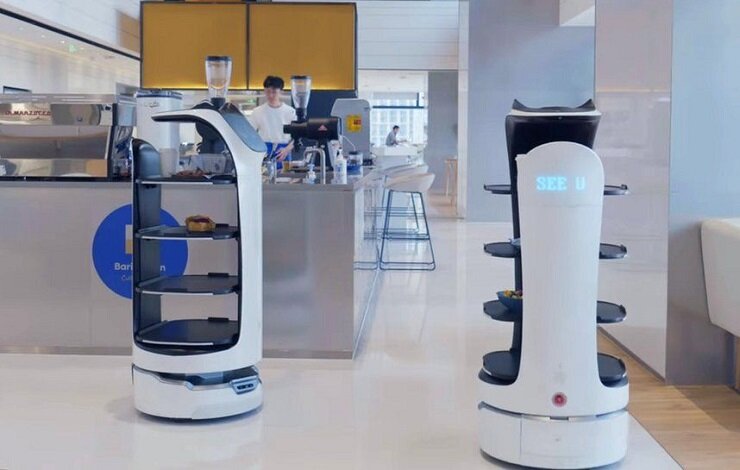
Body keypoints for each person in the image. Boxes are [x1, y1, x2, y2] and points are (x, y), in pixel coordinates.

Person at [248, 76, 297, 162]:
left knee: (284, 171)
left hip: (283, 150)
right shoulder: (257, 111)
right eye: (268, 92)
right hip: (263, 150)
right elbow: (250, 134)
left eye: (274, 92)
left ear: (281, 91)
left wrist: (287, 149)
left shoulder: (290, 112)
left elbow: (297, 136)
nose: (270, 95)